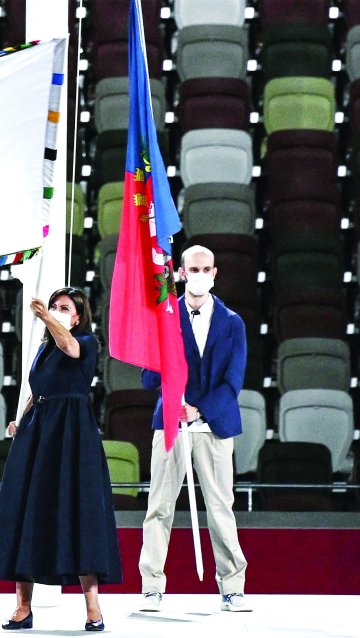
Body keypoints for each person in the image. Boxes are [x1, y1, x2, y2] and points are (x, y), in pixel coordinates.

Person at [0, 287, 121, 632]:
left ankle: (93, 609)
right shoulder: (43, 349)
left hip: (72, 433)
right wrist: (22, 417)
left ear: (77, 317)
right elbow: (38, 388)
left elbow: (69, 347)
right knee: (28, 512)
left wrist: (45, 315)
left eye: (65, 308)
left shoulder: (86, 342)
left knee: (79, 512)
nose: (58, 311)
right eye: (55, 306)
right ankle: (23, 608)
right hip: (38, 431)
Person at [138, 245, 250, 613]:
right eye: (193, 268)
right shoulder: (165, 317)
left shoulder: (232, 322)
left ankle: (233, 588)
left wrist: (198, 408)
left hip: (214, 427)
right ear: (182, 273)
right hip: (171, 424)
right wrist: (164, 355)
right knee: (159, 508)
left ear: (214, 273)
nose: (199, 274)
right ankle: (151, 587)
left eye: (206, 268)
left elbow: (233, 382)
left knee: (221, 508)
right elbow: (147, 377)